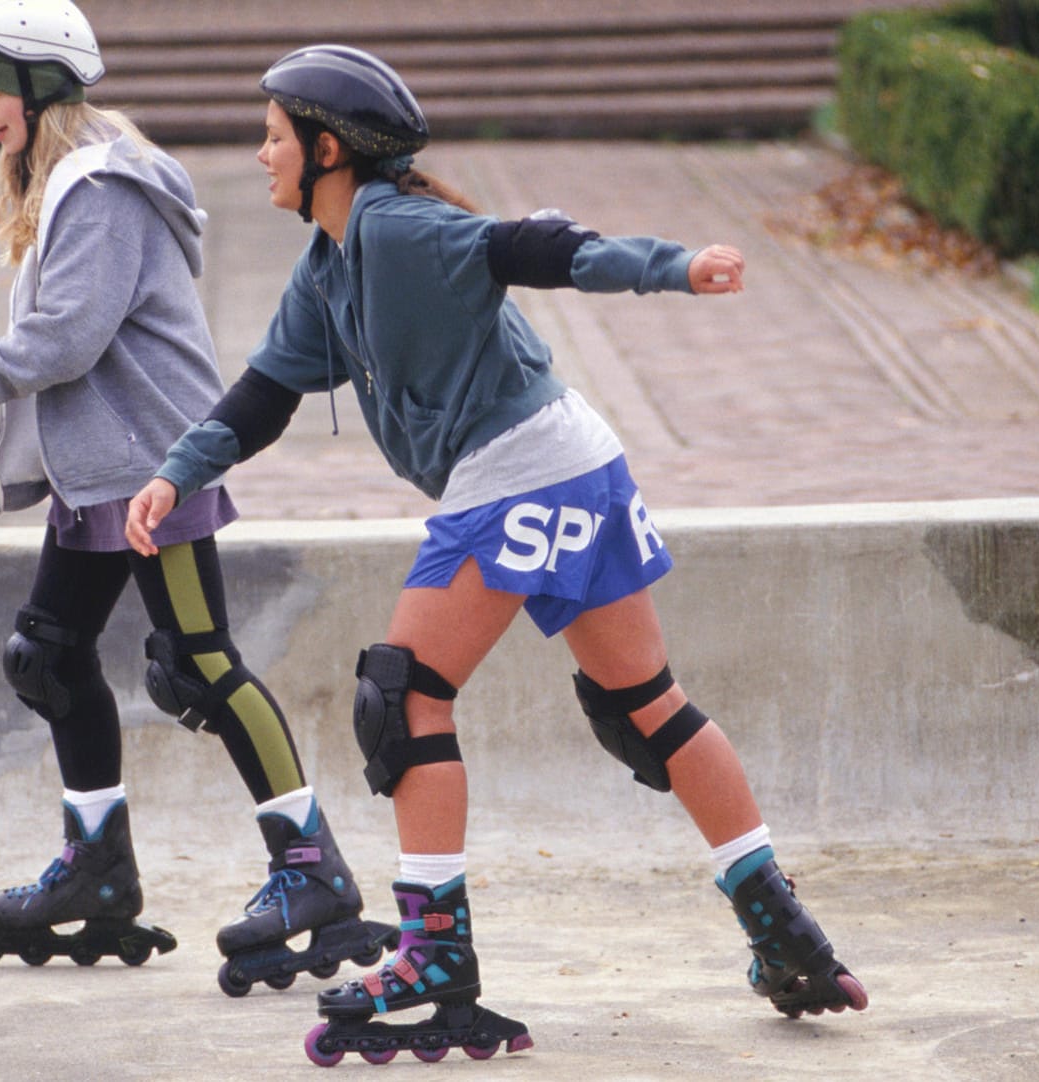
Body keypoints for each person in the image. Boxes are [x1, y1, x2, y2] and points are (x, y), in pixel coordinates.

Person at [127, 44, 868, 1064]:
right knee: (646, 705)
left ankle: (435, 952)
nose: (260, 153)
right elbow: (263, 394)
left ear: (328, 148)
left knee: (403, 694)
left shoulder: (396, 227)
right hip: (577, 455)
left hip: (521, 470)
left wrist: (674, 268)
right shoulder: (328, 262)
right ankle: (783, 928)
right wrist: (179, 469)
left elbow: (533, 247)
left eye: (274, 135)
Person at [0, 2, 394, 992]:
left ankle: (310, 866)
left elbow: (61, 340)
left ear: (38, 85)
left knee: (199, 666)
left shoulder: (101, 184)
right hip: (95, 470)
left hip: (155, 468)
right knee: (49, 655)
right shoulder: (60, 174)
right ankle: (99, 868)